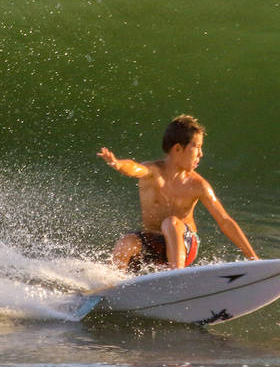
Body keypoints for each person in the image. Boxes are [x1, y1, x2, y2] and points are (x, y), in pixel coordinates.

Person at [98, 115, 259, 273]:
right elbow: (134, 168)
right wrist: (118, 164)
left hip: (184, 245)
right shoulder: (153, 172)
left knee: (171, 223)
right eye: (196, 147)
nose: (200, 154)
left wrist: (253, 258)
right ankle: (110, 286)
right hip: (154, 243)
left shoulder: (198, 185)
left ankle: (177, 277)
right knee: (126, 242)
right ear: (178, 148)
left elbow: (225, 221)